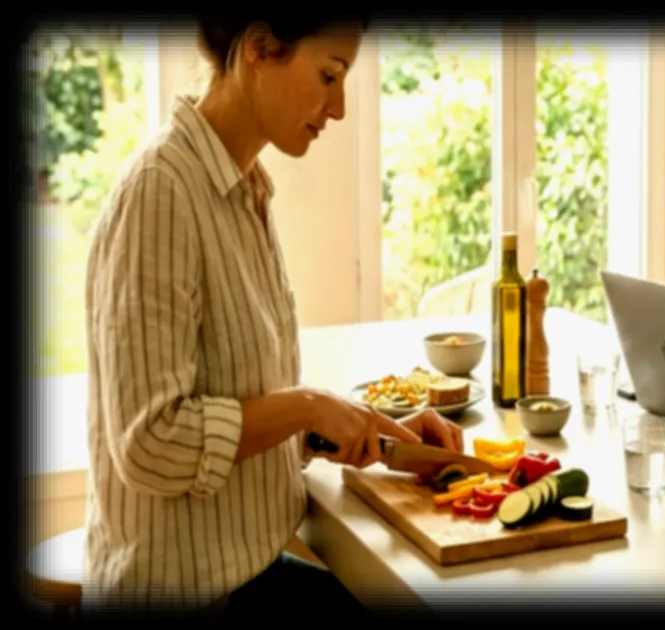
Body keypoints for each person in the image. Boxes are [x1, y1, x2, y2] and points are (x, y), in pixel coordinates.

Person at [81, 13, 464, 617]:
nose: (337, 108)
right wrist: (308, 406)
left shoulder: (244, 190)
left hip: (245, 575)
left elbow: (241, 399)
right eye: (329, 75)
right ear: (259, 47)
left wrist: (370, 428)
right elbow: (149, 444)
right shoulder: (161, 193)